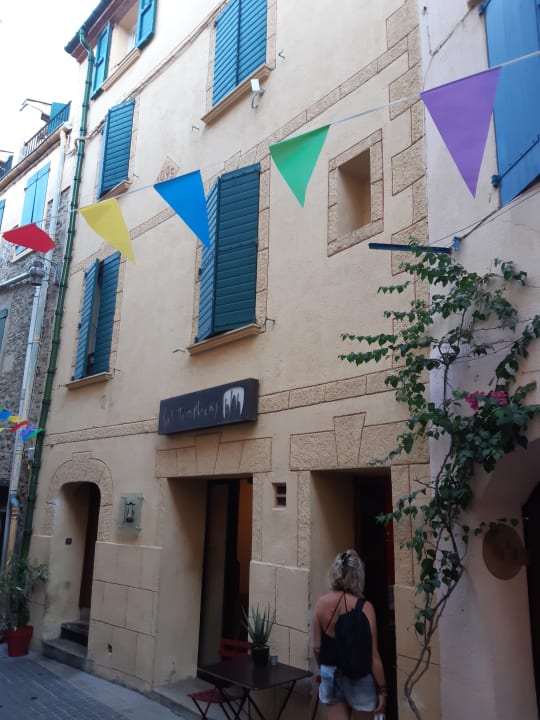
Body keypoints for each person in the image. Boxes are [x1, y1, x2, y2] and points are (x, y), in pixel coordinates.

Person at [313, 549, 386, 719]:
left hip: (330, 673)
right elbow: (373, 656)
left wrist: (323, 670)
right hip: (359, 676)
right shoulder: (365, 607)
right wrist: (382, 689)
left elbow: (317, 647)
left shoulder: (321, 603)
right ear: (358, 576)